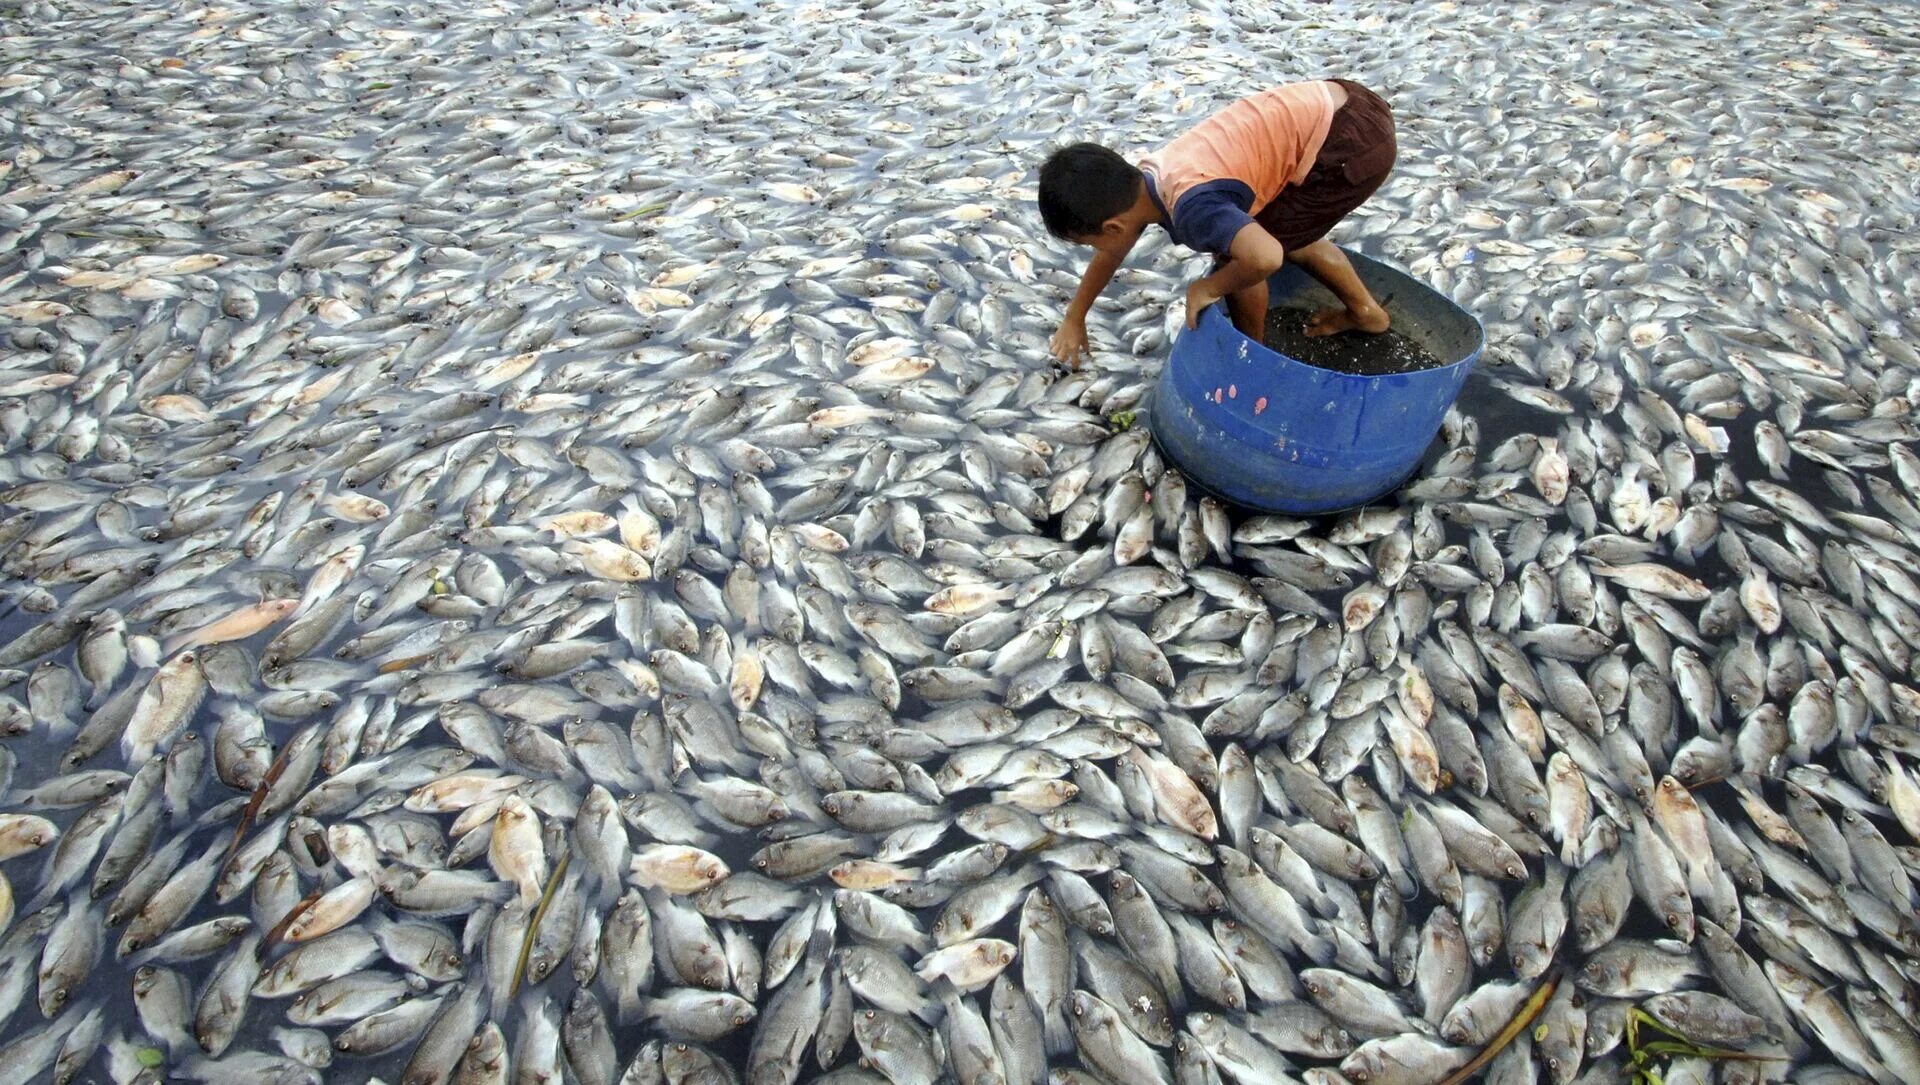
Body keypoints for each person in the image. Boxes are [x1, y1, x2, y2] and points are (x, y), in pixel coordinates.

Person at [1038, 79, 1398, 369]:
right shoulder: (1149, 174)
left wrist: (1209, 287)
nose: (1097, 251)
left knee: (1241, 260)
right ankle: (1366, 313)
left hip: (1350, 148)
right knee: (1284, 233)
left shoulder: (1193, 209)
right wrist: (1076, 316)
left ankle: (1252, 357)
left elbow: (1264, 258)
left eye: (1090, 244)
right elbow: (1112, 249)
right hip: (1348, 101)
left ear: (1113, 227)